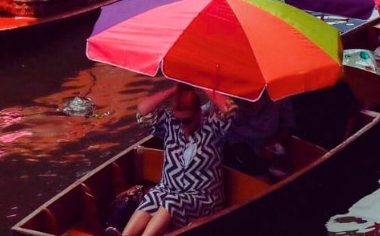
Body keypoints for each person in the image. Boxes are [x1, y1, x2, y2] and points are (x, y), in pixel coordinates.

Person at [111, 84, 234, 236]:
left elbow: (229, 109)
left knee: (172, 201)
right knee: (154, 196)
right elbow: (142, 110)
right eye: (178, 120)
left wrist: (202, 85)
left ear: (198, 113)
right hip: (168, 191)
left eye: (187, 120)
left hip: (202, 199)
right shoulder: (170, 125)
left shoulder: (212, 130)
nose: (182, 125)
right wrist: (174, 89)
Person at [224, 96, 296, 177]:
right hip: (238, 143)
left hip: (269, 144)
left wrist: (274, 142)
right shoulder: (236, 95)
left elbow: (288, 126)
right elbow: (228, 126)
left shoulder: (282, 98)